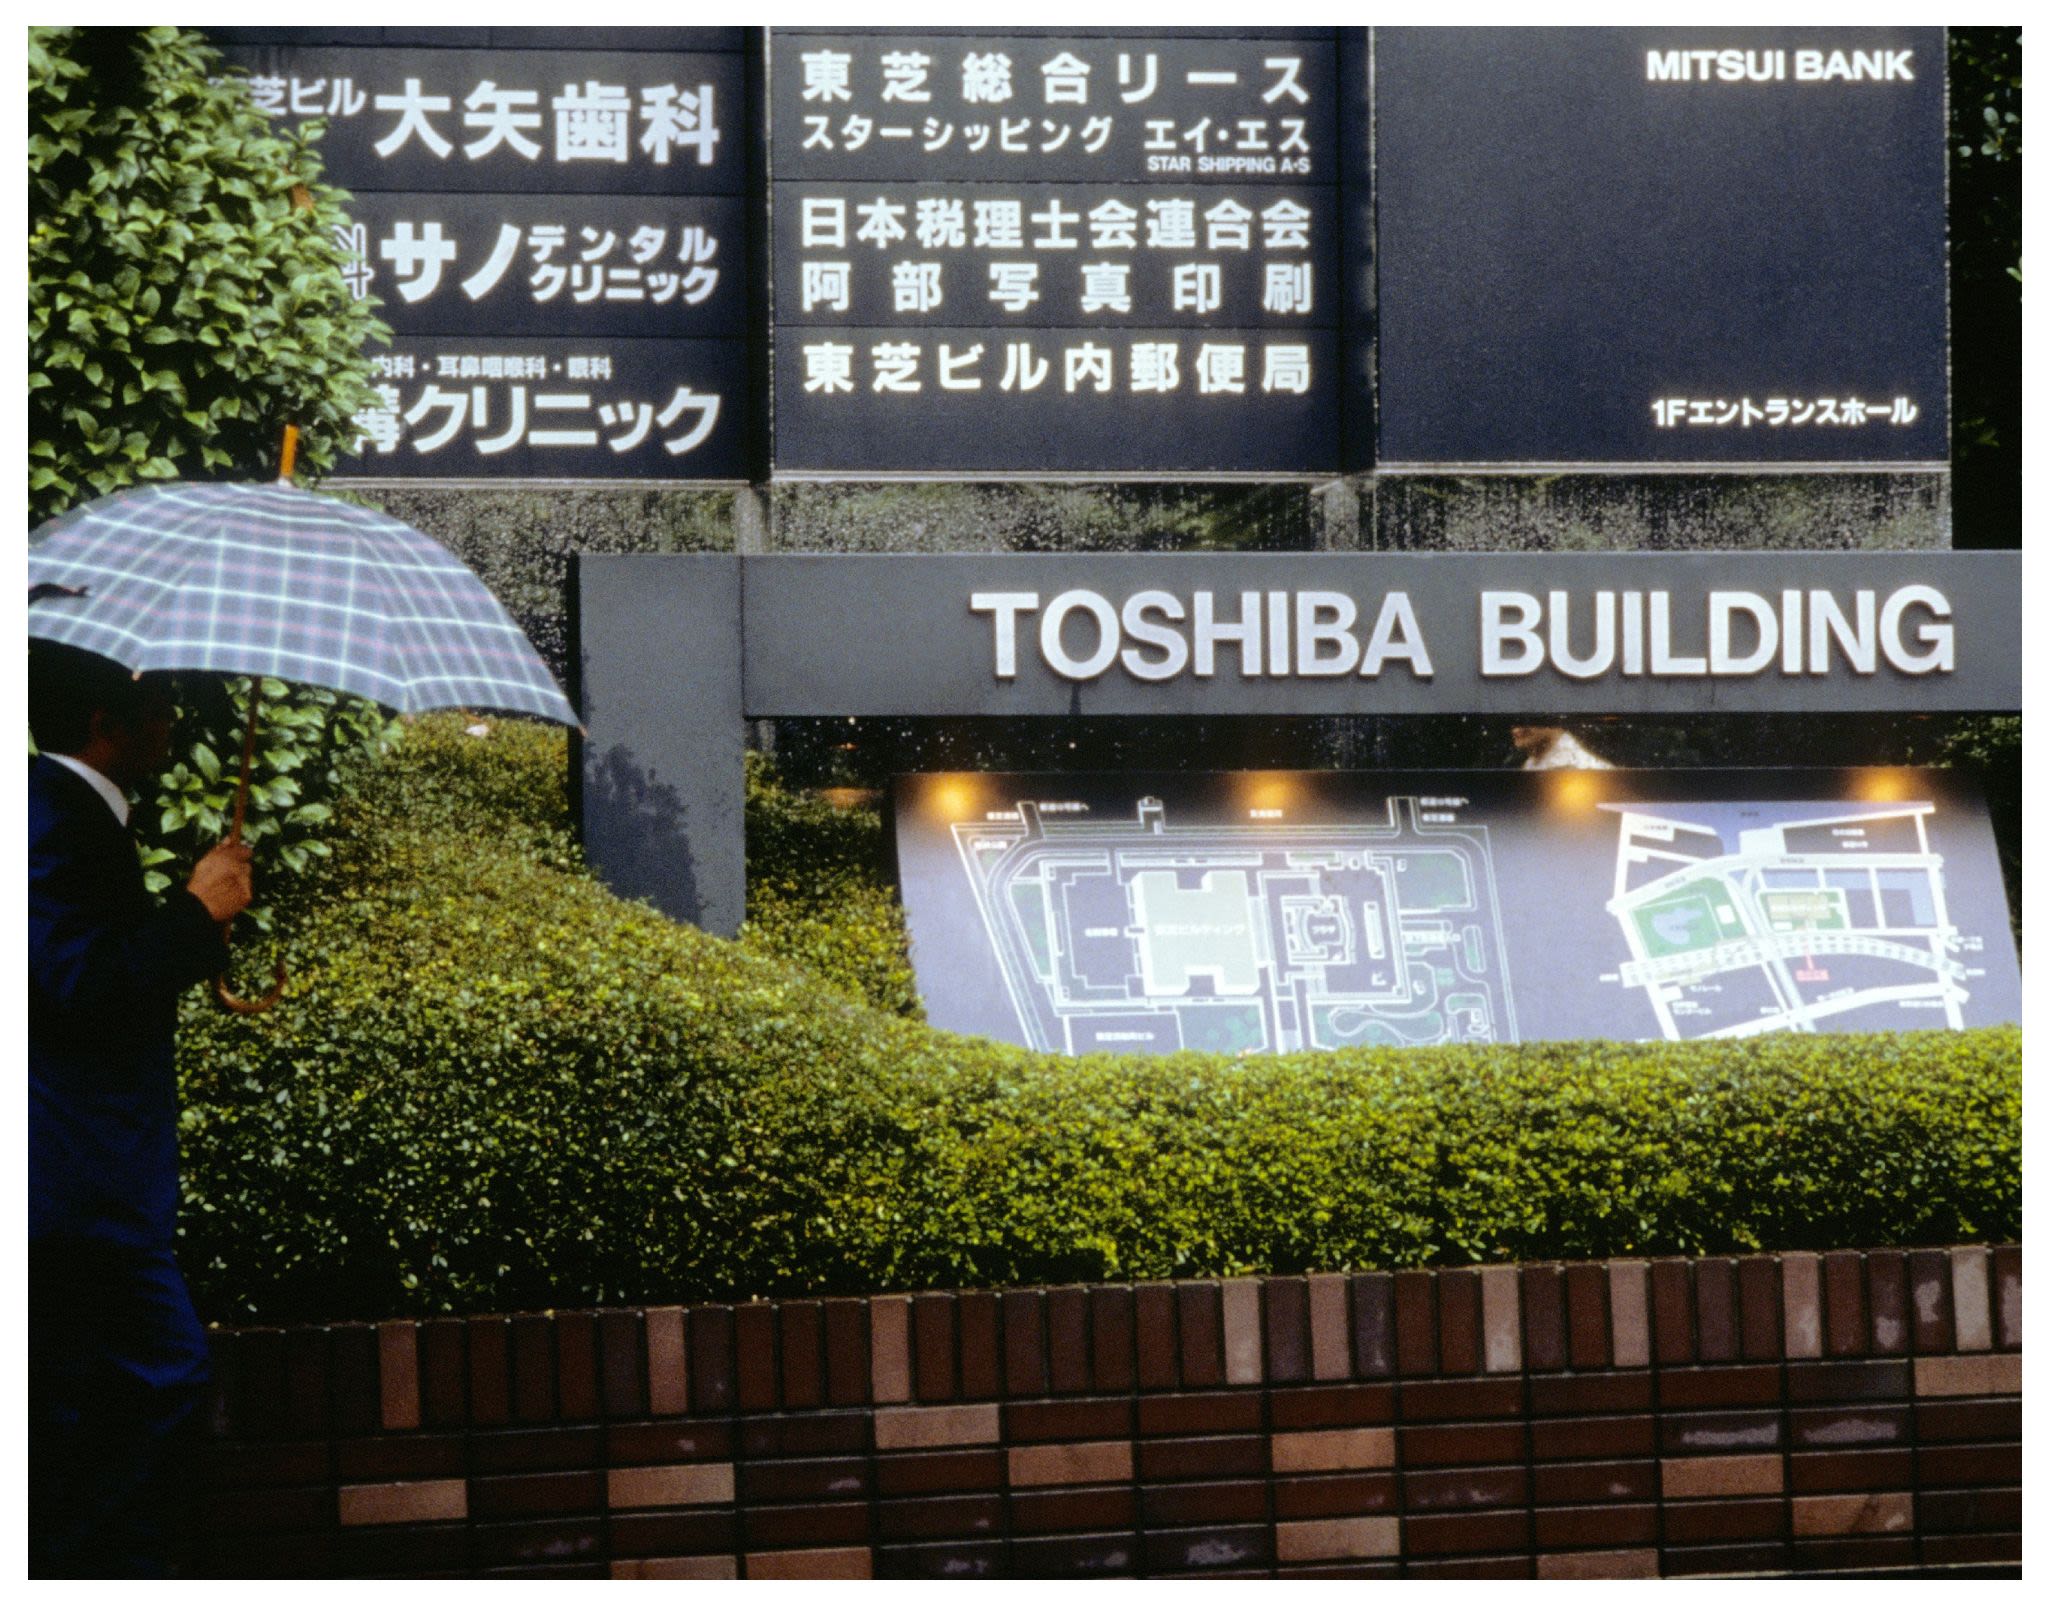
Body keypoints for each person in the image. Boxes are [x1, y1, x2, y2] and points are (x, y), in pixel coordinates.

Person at [28, 641, 255, 1577]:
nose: (173, 721)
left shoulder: (73, 810)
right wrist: (196, 913)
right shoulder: (51, 816)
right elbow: (71, 985)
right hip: (78, 1188)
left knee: (74, 1401)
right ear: (104, 725)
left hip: (78, 1183)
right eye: (158, 705)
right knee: (168, 1376)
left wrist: (196, 930)